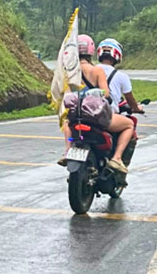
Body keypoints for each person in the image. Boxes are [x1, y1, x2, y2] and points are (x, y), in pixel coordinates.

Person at [58, 35, 134, 173]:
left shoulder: (70, 71)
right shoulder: (97, 70)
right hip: (95, 116)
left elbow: (66, 94)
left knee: (67, 123)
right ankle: (117, 158)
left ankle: (68, 150)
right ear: (91, 50)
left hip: (77, 115)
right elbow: (105, 94)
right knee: (129, 124)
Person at [97, 38, 143, 115]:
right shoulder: (122, 76)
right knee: (129, 122)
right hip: (109, 115)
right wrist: (136, 108)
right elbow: (130, 99)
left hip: (89, 112)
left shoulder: (91, 70)